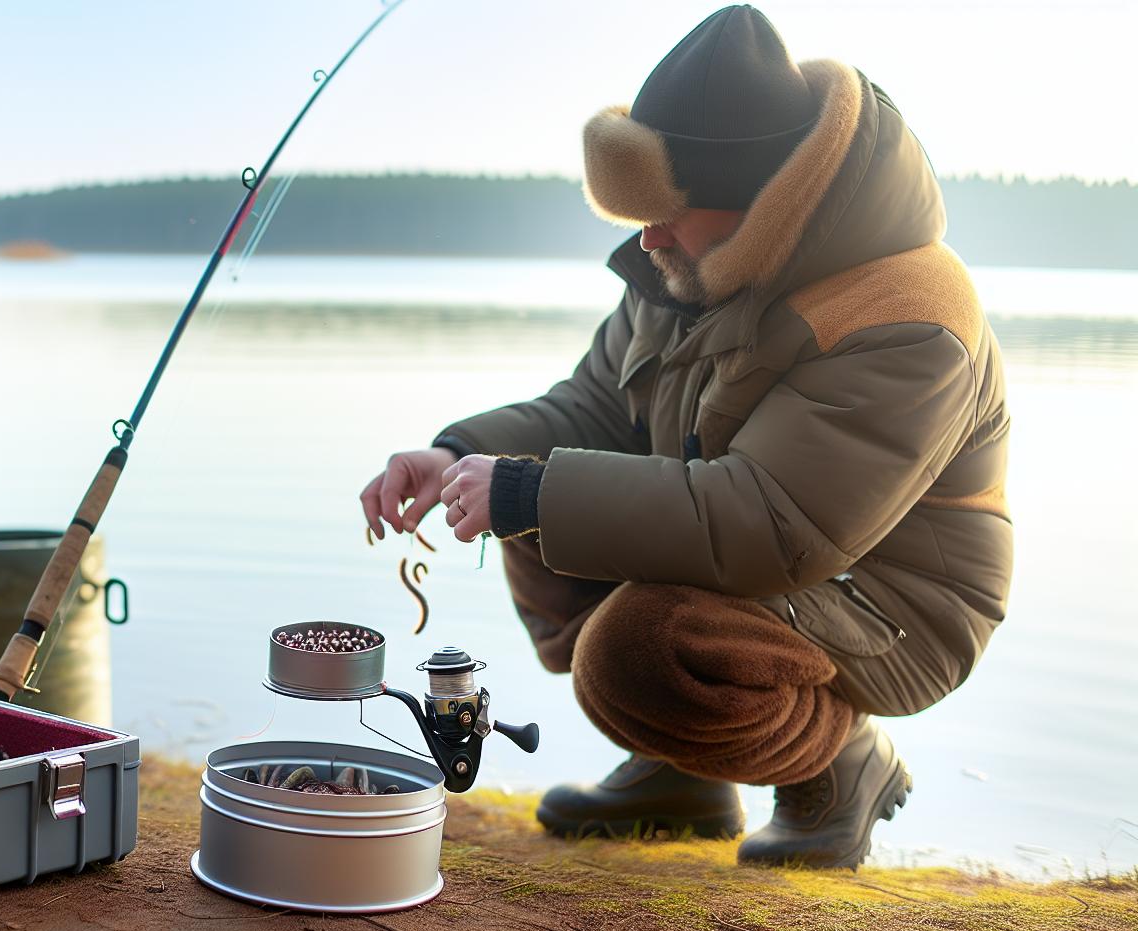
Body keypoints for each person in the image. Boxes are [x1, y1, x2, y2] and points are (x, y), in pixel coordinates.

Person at [359, 5, 1010, 868]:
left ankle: (840, 761)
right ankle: (685, 774)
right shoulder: (691, 263)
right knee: (535, 498)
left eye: (670, 208)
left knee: (642, 647)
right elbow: (594, 408)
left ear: (767, 201)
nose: (647, 235)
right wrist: (454, 455)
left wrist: (528, 491)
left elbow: (774, 523)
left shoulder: (909, 313)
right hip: (771, 554)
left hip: (892, 598)